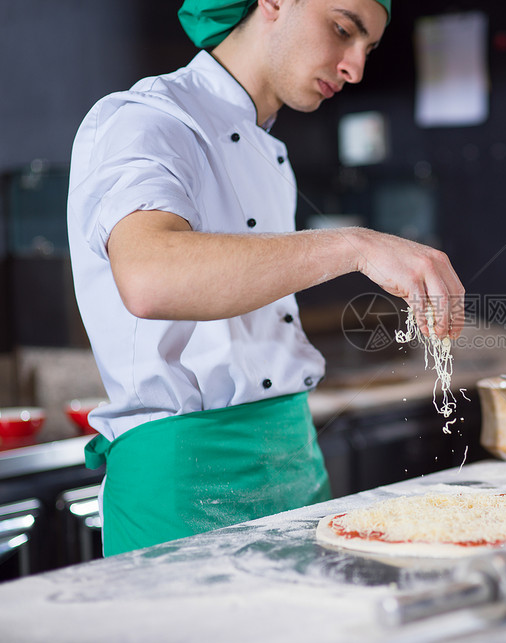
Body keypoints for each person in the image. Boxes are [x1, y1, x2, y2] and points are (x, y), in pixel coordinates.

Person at [67, 0, 465, 557]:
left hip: (294, 463)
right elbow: (151, 276)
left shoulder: (270, 150)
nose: (355, 68)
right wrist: (355, 244)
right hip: (185, 483)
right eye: (343, 29)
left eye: (366, 48)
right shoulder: (148, 119)